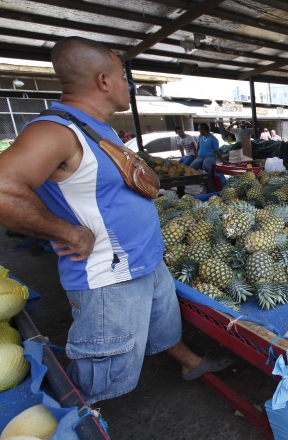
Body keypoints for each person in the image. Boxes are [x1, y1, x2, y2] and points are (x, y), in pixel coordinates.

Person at [0, 37, 231, 405]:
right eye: (125, 77)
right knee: (101, 370)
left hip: (145, 261)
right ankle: (81, 417)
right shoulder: (57, 130)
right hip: (110, 276)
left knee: (162, 325)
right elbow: (3, 187)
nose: (129, 86)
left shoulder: (97, 127)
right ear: (104, 80)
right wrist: (65, 231)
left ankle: (188, 362)